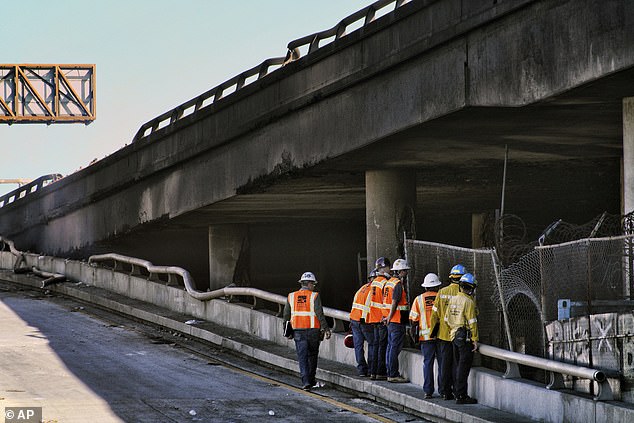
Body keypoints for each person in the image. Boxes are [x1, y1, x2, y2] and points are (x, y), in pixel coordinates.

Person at [283, 271, 332, 390]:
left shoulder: (291, 296)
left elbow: (286, 316)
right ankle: (311, 379)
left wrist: (286, 332)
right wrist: (326, 329)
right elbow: (319, 313)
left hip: (298, 331)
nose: (314, 286)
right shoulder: (314, 296)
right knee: (312, 356)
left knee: (302, 357)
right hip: (313, 331)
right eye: (313, 284)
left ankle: (306, 382)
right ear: (309, 284)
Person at [430, 263, 466, 400]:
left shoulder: (442, 292)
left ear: (451, 277)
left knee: (444, 365)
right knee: (457, 365)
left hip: (443, 335)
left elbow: (434, 315)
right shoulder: (464, 293)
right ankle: (458, 392)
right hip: (458, 336)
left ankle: (445, 391)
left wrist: (433, 333)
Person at [444, 273, 479, 404]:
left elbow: (447, 319)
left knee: (457, 365)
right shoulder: (468, 302)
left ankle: (457, 393)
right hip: (464, 338)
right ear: (471, 288)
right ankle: (461, 396)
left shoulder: (453, 299)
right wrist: (475, 339)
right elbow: (472, 322)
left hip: (454, 336)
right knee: (463, 368)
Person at [409, 273, 442, 399]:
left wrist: (415, 337)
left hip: (425, 339)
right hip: (440, 337)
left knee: (428, 363)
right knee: (442, 363)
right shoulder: (442, 298)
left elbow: (413, 320)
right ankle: (443, 390)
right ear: (438, 285)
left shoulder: (418, 300)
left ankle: (428, 391)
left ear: (425, 287)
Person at [382, 258, 410, 383]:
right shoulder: (397, 284)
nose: (407, 273)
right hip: (396, 320)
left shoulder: (388, 283)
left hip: (391, 320)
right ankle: (393, 374)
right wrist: (389, 316)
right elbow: (394, 302)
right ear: (401, 271)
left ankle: (390, 372)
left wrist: (386, 317)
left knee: (390, 346)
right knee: (394, 347)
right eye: (405, 271)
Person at [366, 257, 391, 380]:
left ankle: (372, 372)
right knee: (382, 346)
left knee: (375, 346)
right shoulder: (385, 283)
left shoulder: (374, 282)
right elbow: (386, 301)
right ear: (385, 268)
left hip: (374, 319)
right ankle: (381, 372)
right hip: (382, 319)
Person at [349, 271, 377, 377]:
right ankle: (371, 369)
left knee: (358, 345)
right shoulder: (374, 290)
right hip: (365, 320)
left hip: (354, 319)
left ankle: (361, 369)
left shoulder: (362, 288)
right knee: (372, 343)